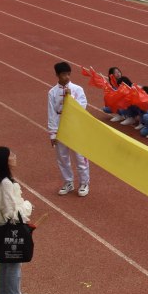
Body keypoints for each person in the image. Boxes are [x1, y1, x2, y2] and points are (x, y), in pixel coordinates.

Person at [0, 147, 38, 294]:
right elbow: (11, 213)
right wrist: (27, 206)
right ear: (5, 161)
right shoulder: (6, 183)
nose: (14, 157)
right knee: (14, 265)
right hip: (10, 230)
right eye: (11, 155)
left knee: (5, 264)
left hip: (0, 228)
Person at [47, 62, 89, 197]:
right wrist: (53, 134)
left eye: (68, 74)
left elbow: (83, 106)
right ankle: (68, 182)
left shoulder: (77, 89)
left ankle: (84, 183)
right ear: (57, 75)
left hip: (75, 125)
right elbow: (51, 113)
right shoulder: (52, 92)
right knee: (62, 157)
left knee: (79, 156)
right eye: (64, 74)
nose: (67, 77)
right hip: (60, 125)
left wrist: (70, 98)